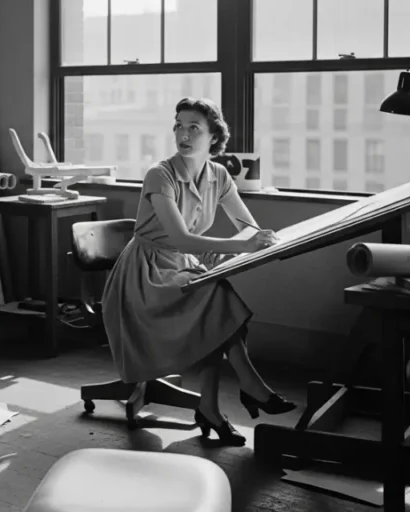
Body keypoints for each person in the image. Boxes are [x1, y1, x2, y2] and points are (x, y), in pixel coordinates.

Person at [101, 97, 295, 446]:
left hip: (182, 266)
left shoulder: (218, 175)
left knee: (213, 306)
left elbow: (246, 225)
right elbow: (181, 238)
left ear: (213, 137)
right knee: (216, 299)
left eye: (194, 127)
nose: (184, 134)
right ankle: (247, 386)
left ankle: (213, 406)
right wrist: (244, 245)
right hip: (146, 274)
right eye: (178, 125)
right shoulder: (160, 174)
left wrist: (260, 239)